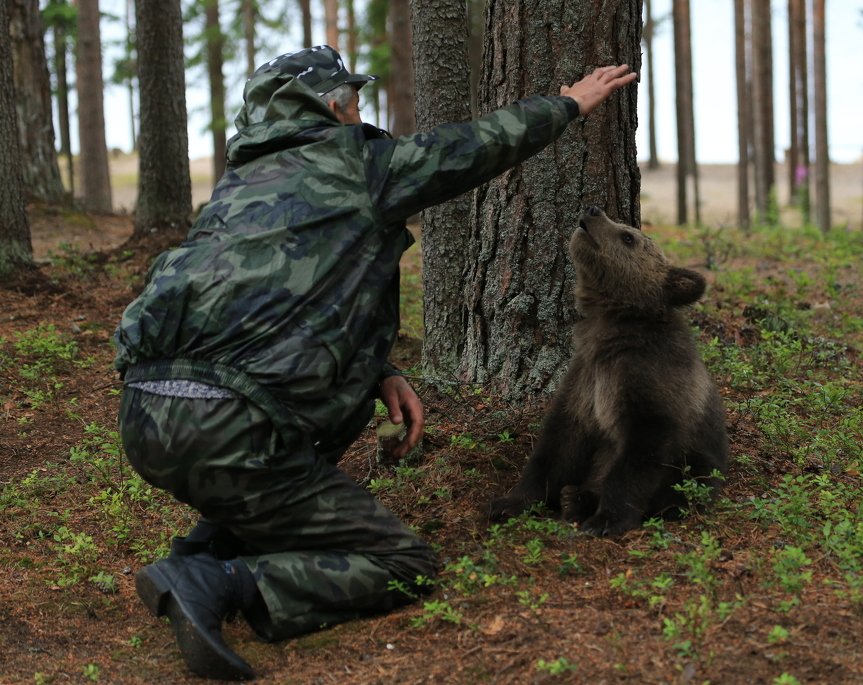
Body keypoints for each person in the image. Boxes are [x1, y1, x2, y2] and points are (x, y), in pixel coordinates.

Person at [114, 44, 636, 680]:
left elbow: (275, 308)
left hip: (147, 421)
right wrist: (567, 104)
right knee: (401, 564)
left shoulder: (237, 190)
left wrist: (380, 369)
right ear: (331, 108)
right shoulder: (355, 163)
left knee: (277, 438)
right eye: (354, 101)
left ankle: (205, 546)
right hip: (234, 430)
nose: (361, 113)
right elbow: (466, 149)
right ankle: (216, 581)